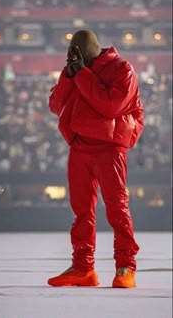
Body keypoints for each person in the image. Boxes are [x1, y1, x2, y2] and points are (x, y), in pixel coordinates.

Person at [47, 30, 144, 288]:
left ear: (91, 50)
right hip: (80, 145)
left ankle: (125, 267)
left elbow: (110, 106)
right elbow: (56, 105)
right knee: (81, 211)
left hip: (110, 147)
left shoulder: (122, 69)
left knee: (116, 206)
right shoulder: (77, 71)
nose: (74, 57)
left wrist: (81, 74)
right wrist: (69, 75)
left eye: (78, 52)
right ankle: (82, 267)